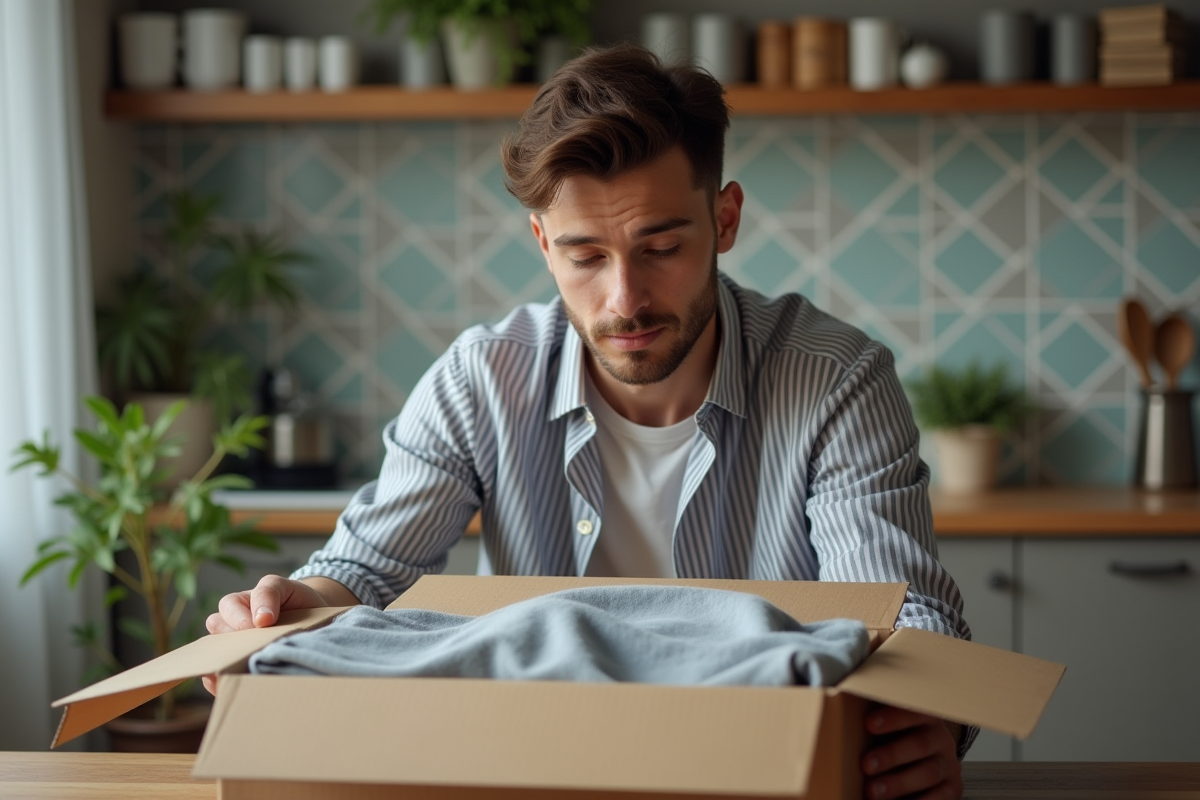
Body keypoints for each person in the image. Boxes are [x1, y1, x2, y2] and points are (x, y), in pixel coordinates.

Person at [207, 43, 971, 800]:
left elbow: (902, 611)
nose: (624, 299)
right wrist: (294, 605)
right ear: (543, 244)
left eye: (662, 246)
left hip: (758, 770)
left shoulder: (836, 378)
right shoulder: (482, 379)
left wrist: (930, 720)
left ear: (725, 218)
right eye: (585, 256)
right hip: (533, 772)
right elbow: (364, 574)